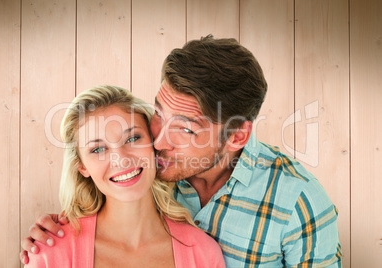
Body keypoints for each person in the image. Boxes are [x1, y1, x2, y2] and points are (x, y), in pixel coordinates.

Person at [21, 35, 342, 267]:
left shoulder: (298, 201)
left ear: (237, 136)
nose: (157, 141)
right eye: (160, 113)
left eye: (186, 129)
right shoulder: (154, 170)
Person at [23, 85, 225, 267]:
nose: (121, 159)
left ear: (154, 144)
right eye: (98, 149)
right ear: (83, 167)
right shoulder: (50, 255)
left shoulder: (203, 253)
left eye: (132, 138)